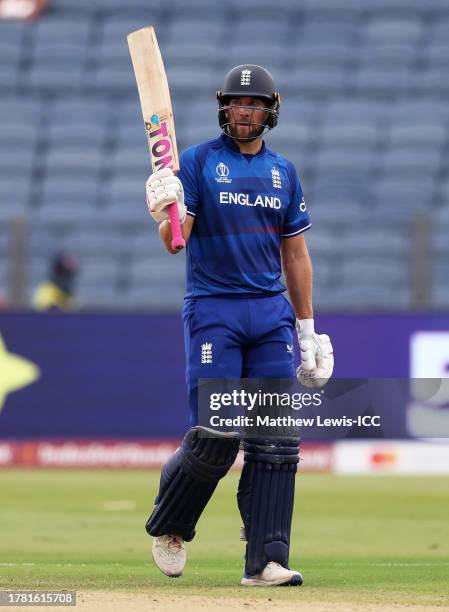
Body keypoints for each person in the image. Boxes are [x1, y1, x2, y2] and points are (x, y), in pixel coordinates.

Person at [144, 65, 334, 587]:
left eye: (252, 104)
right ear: (223, 108)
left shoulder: (283, 173)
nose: (242, 112)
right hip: (215, 309)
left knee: (276, 440)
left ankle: (266, 560)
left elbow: (296, 255)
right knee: (216, 434)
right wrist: (166, 209)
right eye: (234, 103)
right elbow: (174, 239)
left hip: (269, 314)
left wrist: (307, 330)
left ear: (270, 110)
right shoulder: (200, 162)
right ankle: (171, 526)